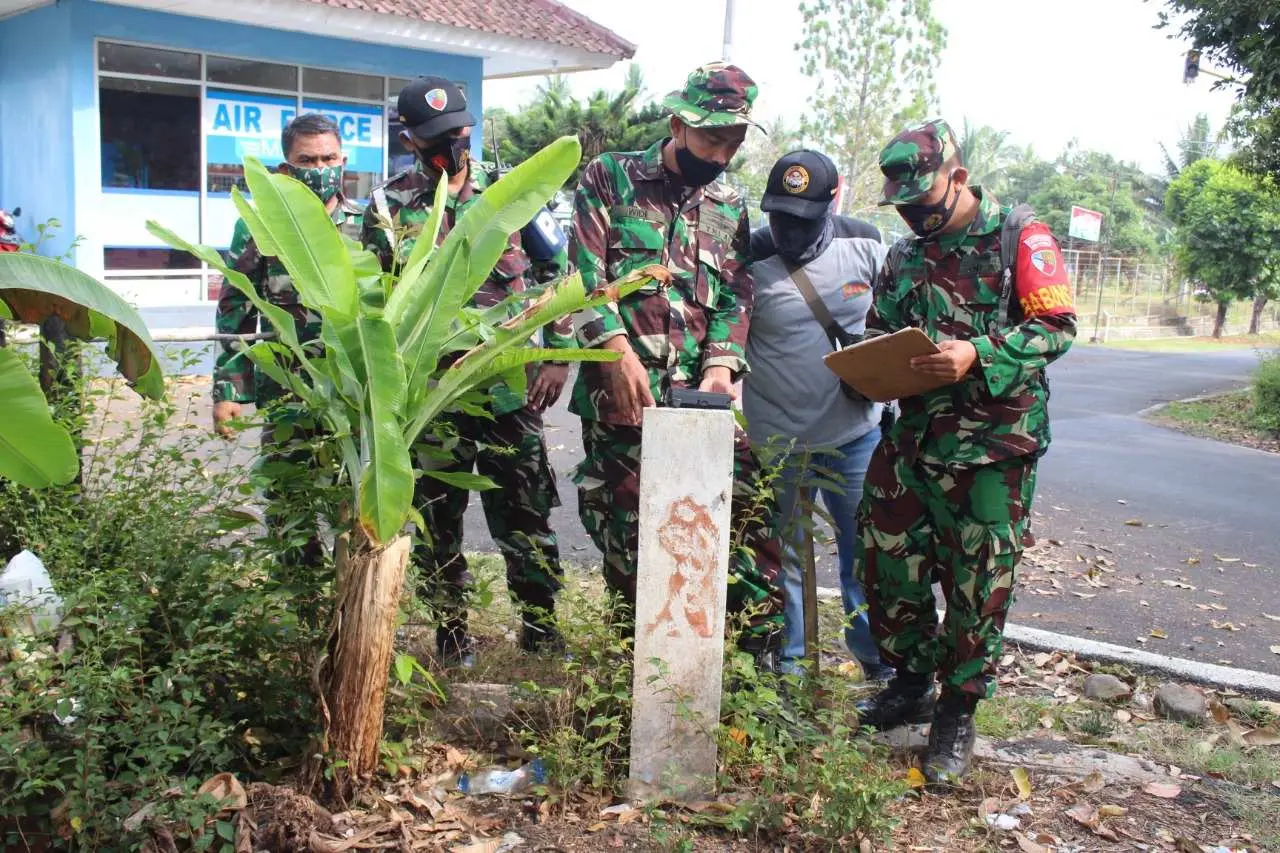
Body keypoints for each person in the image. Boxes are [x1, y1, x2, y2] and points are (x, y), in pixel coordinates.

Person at [854, 119, 1076, 784]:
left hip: (992, 448)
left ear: (957, 177)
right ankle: (911, 680)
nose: (915, 216)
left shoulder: (1018, 236)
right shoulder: (903, 255)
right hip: (913, 437)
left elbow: (1055, 328)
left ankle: (957, 710)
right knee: (886, 561)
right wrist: (870, 360)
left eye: (924, 203)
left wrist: (978, 353)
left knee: (978, 585)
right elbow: (878, 328)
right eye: (904, 206)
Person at [569, 62, 784, 661]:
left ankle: (750, 665)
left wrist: (721, 366)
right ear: (677, 123)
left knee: (748, 524)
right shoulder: (610, 177)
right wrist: (613, 349)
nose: (720, 153)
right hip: (624, 398)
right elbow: (583, 274)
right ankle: (640, 667)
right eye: (711, 137)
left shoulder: (728, 200)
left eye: (734, 141)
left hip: (702, 401)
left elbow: (736, 292)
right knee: (632, 538)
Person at [362, 76, 573, 667]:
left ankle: (540, 625)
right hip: (430, 398)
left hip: (508, 391)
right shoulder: (388, 205)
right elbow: (373, 300)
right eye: (437, 138)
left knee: (526, 515)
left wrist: (556, 354)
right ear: (409, 138)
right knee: (437, 523)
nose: (452, 146)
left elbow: (559, 273)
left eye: (459, 133)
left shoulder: (514, 195)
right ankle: (451, 633)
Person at [744, 149, 894, 681]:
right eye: (778, 215)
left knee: (864, 558)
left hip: (855, 437)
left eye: (801, 218)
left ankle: (877, 666)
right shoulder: (749, 256)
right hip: (780, 442)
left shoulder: (867, 244)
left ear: (833, 201)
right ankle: (794, 669)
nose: (787, 229)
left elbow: (897, 314)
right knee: (790, 561)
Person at [211, 113, 363, 591]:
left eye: (329, 158)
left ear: (344, 161)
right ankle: (304, 611)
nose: (320, 168)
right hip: (288, 394)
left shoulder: (369, 226)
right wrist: (227, 389)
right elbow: (235, 311)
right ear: (286, 167)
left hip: (355, 394)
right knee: (289, 506)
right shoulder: (259, 228)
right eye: (307, 160)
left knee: (356, 505)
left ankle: (353, 602)